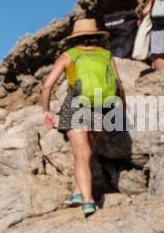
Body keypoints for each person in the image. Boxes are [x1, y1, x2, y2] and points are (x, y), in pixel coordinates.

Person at [38, 17, 124, 217]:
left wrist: (46, 110)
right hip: (102, 106)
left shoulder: (69, 55)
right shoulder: (106, 55)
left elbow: (47, 85)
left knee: (81, 155)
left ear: (75, 37)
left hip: (77, 105)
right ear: (95, 36)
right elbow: (118, 83)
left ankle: (87, 200)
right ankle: (78, 192)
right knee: (88, 150)